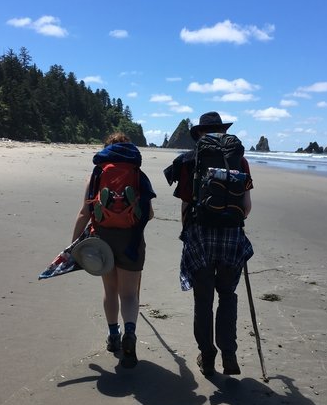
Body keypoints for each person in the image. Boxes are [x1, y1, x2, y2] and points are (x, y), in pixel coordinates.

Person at [164, 112, 253, 377]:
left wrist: (186, 234)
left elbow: (185, 205)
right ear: (223, 132)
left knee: (202, 300)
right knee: (227, 295)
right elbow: (246, 208)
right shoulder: (241, 160)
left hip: (200, 236)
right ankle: (229, 354)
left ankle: (208, 355)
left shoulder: (188, 161)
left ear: (201, 133)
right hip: (231, 236)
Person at [72, 133, 156, 368]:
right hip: (132, 240)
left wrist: (74, 244)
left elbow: (84, 213)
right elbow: (148, 213)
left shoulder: (97, 174)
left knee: (110, 290)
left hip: (103, 239)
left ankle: (113, 336)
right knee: (129, 294)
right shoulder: (138, 175)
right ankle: (130, 332)